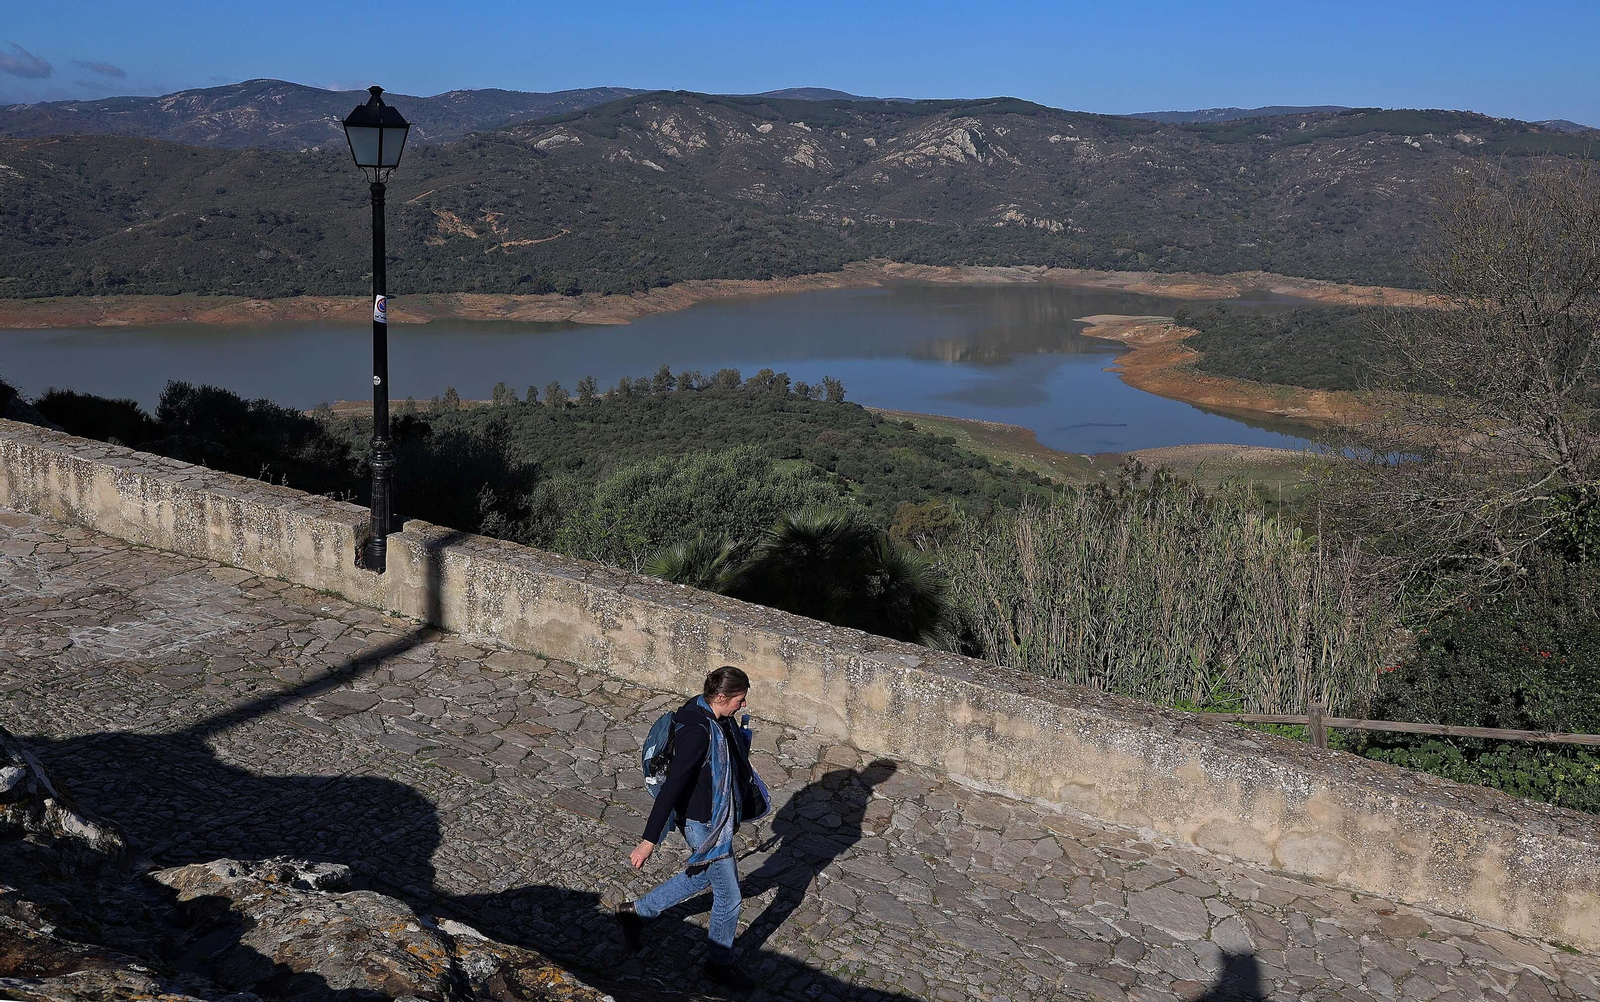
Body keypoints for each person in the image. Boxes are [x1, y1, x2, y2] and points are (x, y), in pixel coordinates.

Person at [616, 666, 770, 990]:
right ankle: (719, 964)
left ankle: (636, 912)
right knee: (729, 896)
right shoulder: (698, 732)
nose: (743, 705)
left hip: (712, 818)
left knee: (701, 875)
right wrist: (649, 840)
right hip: (703, 824)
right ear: (721, 697)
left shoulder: (712, 714)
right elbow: (673, 787)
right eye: (740, 699)